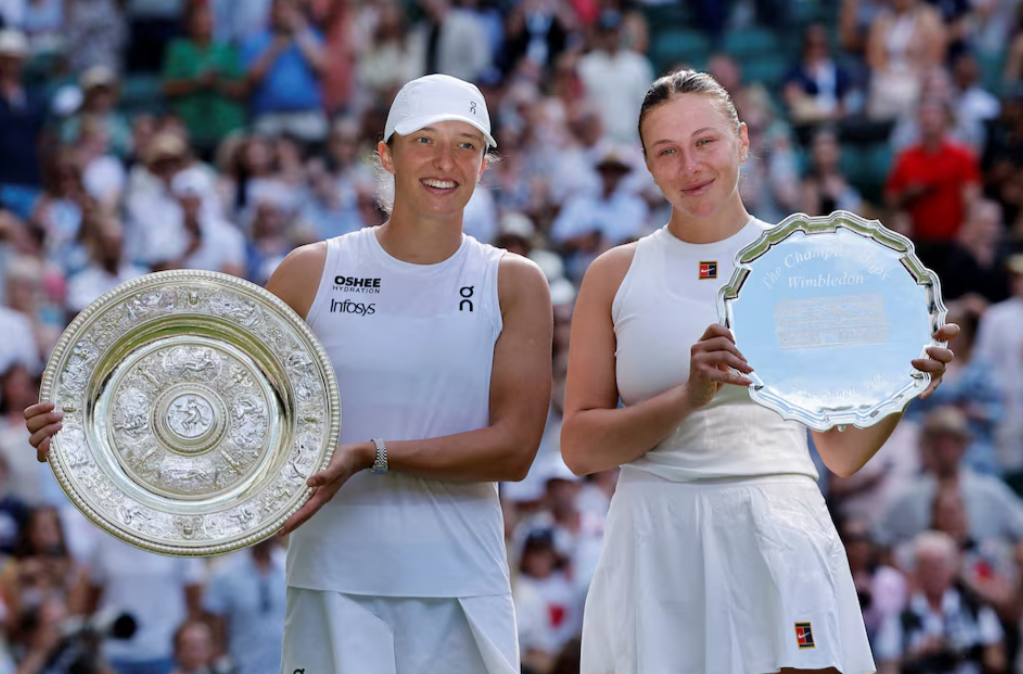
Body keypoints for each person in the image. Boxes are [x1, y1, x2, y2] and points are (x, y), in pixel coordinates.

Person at [24, 73, 553, 674]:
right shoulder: (311, 271)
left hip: (463, 582)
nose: (445, 161)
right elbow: (220, 406)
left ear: (485, 163)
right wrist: (84, 437)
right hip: (332, 581)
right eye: (425, 140)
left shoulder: (513, 282)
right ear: (387, 154)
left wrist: (372, 454)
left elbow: (512, 451)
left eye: (466, 144)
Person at [559, 68, 959, 674]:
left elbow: (841, 456)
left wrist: (903, 387)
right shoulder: (612, 274)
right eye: (666, 151)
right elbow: (580, 448)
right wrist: (688, 397)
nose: (689, 165)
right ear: (646, 163)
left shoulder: (805, 266)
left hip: (781, 530)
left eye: (705, 142)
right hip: (654, 538)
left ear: (743, 141)